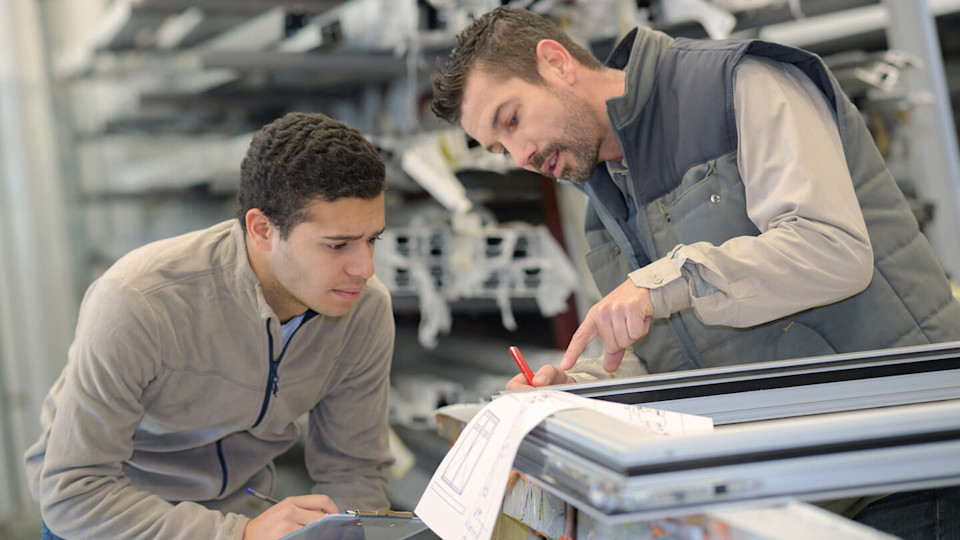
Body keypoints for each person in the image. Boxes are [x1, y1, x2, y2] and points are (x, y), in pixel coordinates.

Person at [431, 7, 960, 538]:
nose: (520, 154)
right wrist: (576, 389)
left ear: (555, 62)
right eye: (500, 149)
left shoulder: (735, 83)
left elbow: (832, 248)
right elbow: (669, 353)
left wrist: (664, 282)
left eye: (513, 119)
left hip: (909, 466)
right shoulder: (604, 206)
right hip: (801, 490)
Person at [25, 112, 395, 540]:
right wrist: (238, 534)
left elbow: (356, 469)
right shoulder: (138, 301)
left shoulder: (364, 310)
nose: (364, 268)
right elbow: (74, 492)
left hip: (241, 515)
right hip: (113, 520)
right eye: (337, 245)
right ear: (262, 230)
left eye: (372, 239)